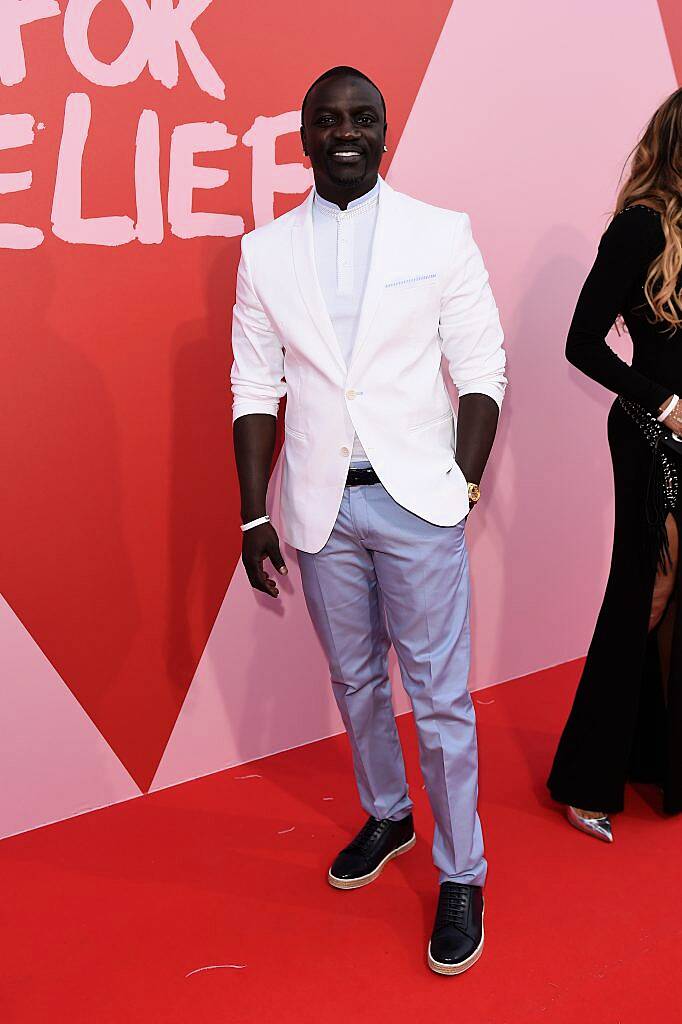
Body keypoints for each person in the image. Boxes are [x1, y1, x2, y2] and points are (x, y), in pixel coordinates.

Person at [230, 66, 506, 975]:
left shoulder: (441, 232)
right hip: (317, 507)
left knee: (438, 699)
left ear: (385, 131)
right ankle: (388, 815)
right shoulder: (265, 251)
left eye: (362, 117)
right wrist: (249, 514)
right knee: (354, 683)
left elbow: (481, 370)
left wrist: (460, 487)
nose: (345, 131)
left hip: (418, 501)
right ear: (303, 135)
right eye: (327, 119)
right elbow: (253, 386)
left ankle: (461, 870)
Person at [548, 88, 682, 841]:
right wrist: (663, 403)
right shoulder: (638, 229)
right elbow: (581, 343)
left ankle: (654, 756)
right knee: (648, 593)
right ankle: (586, 777)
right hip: (651, 436)